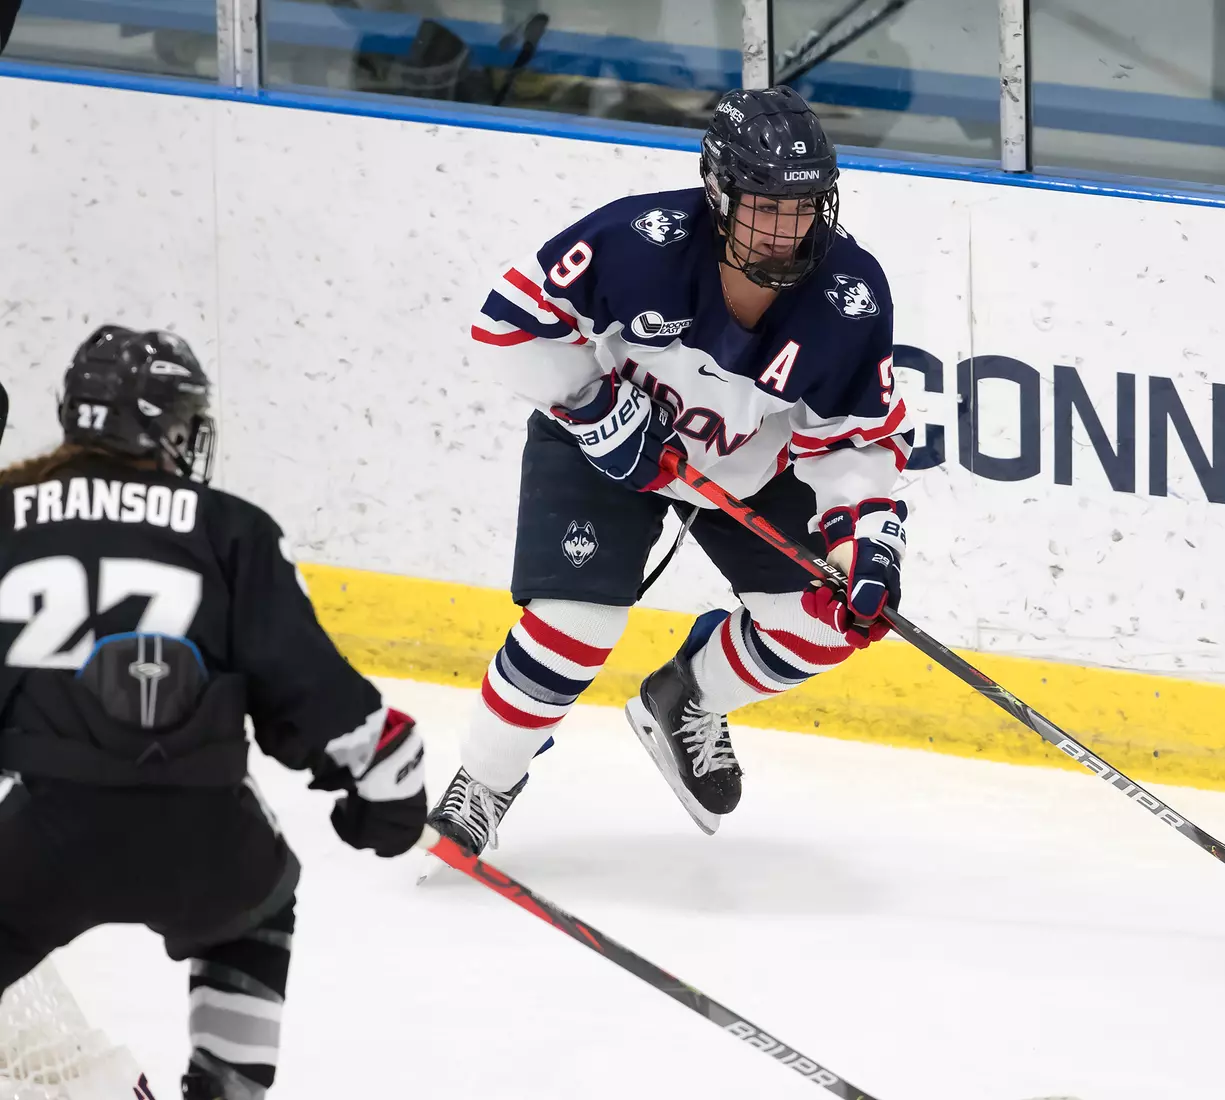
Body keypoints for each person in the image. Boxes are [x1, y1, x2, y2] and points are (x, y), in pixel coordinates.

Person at [427, 85, 911, 850]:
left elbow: (854, 438)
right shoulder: (639, 239)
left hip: (748, 469)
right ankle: (485, 781)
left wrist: (865, 543)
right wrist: (592, 407)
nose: (788, 230)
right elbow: (508, 325)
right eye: (765, 206)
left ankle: (685, 697)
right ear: (718, 190)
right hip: (605, 445)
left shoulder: (850, 295)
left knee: (824, 627)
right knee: (573, 626)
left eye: (806, 206)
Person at [0, 326, 428, 1100]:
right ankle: (226, 1088)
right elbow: (318, 695)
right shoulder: (229, 526)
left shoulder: (11, 516)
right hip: (202, 833)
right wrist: (385, 798)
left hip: (46, 832)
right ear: (167, 428)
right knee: (256, 909)